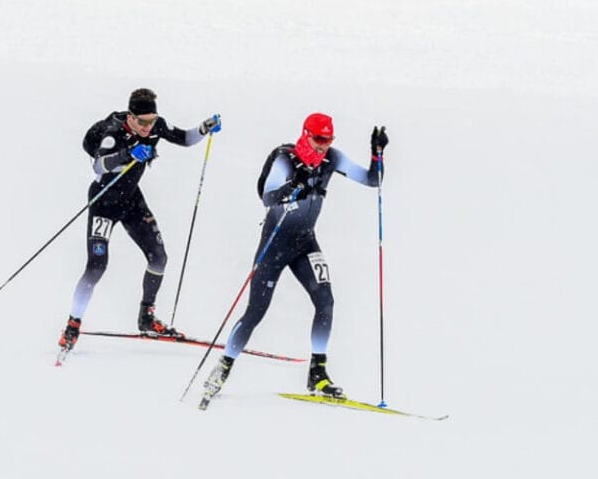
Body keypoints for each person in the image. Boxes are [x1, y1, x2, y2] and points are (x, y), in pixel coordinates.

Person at [201, 113, 388, 403]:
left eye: (329, 140)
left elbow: (372, 180)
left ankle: (318, 373)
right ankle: (223, 366)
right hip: (275, 243)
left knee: (326, 301)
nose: (323, 147)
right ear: (305, 135)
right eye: (318, 140)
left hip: (305, 242)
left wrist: (378, 155)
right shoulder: (284, 159)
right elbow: (267, 196)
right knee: (256, 312)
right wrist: (293, 185)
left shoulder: (332, 158)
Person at [58, 88, 221, 351]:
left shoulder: (157, 126)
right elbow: (99, 166)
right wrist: (128, 155)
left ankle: (146, 316)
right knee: (97, 266)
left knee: (159, 257)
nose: (148, 127)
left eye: (152, 120)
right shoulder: (114, 133)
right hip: (104, 203)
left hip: (132, 201)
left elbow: (184, 138)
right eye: (142, 122)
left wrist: (204, 128)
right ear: (131, 117)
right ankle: (73, 324)